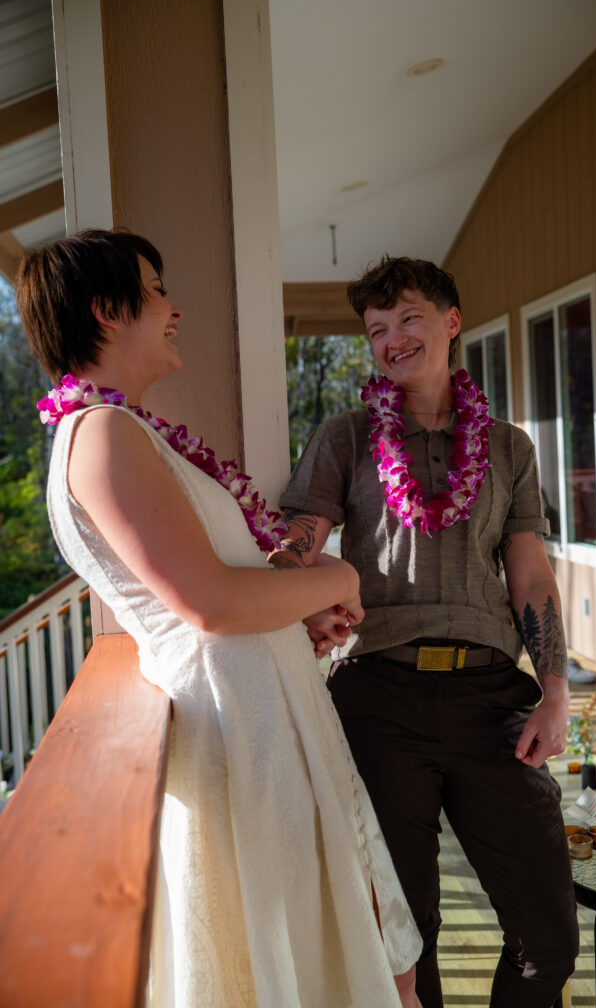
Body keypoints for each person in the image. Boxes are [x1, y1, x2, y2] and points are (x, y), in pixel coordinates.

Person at [16, 230, 424, 1008]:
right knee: (292, 953)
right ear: (107, 311)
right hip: (240, 735)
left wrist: (297, 610)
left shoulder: (125, 431)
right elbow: (204, 604)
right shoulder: (101, 436)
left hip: (268, 711)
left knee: (339, 941)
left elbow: (224, 587)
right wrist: (337, 574)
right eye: (157, 290)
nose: (175, 310)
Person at [273, 256, 579, 1008]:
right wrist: (295, 590)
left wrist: (554, 691)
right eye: (376, 329)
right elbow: (294, 549)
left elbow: (530, 575)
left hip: (490, 700)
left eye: (407, 318)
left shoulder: (508, 448)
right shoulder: (344, 438)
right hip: (378, 698)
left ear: (449, 322)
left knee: (548, 937)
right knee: (403, 937)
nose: (391, 339)